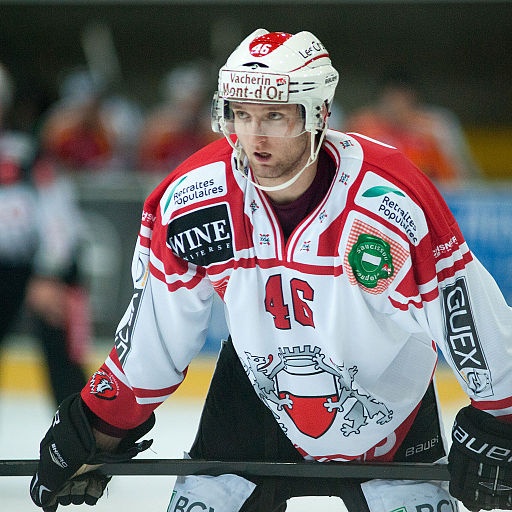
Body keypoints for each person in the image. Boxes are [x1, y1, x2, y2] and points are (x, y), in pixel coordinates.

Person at [29, 29, 512, 512]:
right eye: (241, 115)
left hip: (391, 410)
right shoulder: (195, 196)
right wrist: (97, 422)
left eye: (275, 117)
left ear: (318, 114)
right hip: (255, 401)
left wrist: (501, 420)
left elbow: (467, 314)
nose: (253, 139)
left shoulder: (389, 202)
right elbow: (156, 334)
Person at [0, 62, 88, 406]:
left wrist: (49, 274)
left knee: (63, 357)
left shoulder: (26, 154)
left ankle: (80, 440)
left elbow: (59, 218)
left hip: (39, 268)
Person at [344, 70, 481, 185]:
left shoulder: (434, 127)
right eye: (391, 99)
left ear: (413, 99)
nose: (396, 106)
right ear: (381, 100)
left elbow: (461, 178)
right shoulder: (362, 125)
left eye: (401, 99)